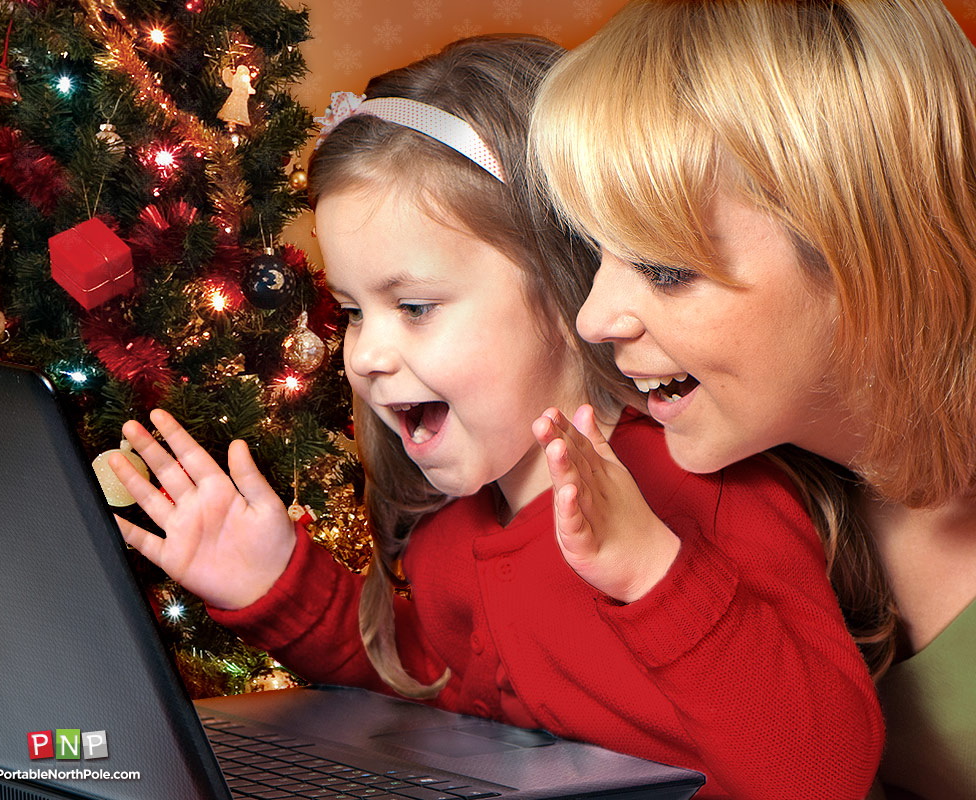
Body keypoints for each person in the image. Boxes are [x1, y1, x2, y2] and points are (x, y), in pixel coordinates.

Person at [109, 35, 883, 799]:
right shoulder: (456, 536)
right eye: (351, 310)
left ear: (563, 281)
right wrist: (279, 585)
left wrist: (653, 571)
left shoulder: (699, 482)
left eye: (414, 307)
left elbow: (824, 773)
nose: (366, 354)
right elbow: (441, 704)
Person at [528, 2, 976, 799]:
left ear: (868, 250)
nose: (594, 319)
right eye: (594, 251)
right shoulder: (746, 491)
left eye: (665, 269)